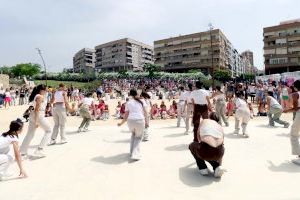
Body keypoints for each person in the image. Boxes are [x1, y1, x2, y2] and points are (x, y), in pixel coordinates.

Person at [189, 112, 225, 178]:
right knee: (211, 152)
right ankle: (217, 167)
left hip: (206, 151)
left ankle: (203, 168)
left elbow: (198, 137)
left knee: (192, 145)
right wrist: (219, 165)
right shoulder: (220, 127)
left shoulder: (204, 121)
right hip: (220, 152)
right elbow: (222, 146)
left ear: (209, 117)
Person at [20, 84, 52, 158]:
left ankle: (22, 152)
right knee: (49, 130)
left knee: (30, 134)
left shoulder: (36, 96)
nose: (46, 91)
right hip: (38, 116)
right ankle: (39, 150)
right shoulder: (40, 97)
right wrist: (37, 121)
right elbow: (37, 109)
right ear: (42, 90)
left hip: (33, 115)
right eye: (46, 90)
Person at [117, 89, 149, 161]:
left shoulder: (128, 103)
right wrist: (147, 122)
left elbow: (126, 115)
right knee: (138, 137)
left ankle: (131, 152)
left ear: (130, 94)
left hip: (130, 121)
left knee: (133, 135)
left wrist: (121, 123)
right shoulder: (142, 101)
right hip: (140, 120)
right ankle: (135, 154)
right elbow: (146, 113)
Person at [283, 80, 300, 165]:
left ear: (295, 87)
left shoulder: (295, 94)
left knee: (294, 134)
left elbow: (296, 108)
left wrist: (287, 111)